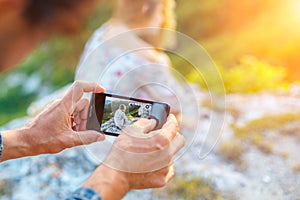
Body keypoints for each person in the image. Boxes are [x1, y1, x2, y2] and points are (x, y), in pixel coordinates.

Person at [0, 0, 185, 199]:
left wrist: (27, 139)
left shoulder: (102, 32)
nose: (26, 51)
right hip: (106, 147)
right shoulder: (150, 59)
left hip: (84, 134)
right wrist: (119, 176)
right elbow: (176, 107)